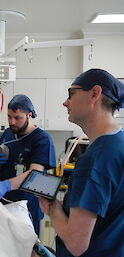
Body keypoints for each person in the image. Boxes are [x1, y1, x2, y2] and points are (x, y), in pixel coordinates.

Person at [38, 69, 124, 257]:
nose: (65, 102)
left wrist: (52, 207)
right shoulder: (119, 143)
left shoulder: (96, 159)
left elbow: (77, 244)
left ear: (94, 94)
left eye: (71, 94)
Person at [0, 94, 56, 235]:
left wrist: (5, 185)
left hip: (27, 205)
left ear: (29, 115)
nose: (12, 121)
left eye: (17, 118)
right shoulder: (8, 133)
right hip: (4, 201)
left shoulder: (42, 139)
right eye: (9, 117)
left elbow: (35, 174)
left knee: (26, 246)